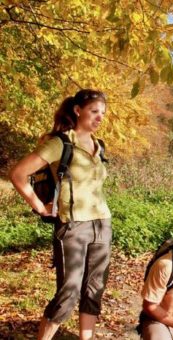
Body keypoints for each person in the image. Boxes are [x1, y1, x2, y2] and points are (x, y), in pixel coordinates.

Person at [9, 89, 112, 340]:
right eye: (94, 111)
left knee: (94, 289)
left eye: (102, 113)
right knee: (69, 291)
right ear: (78, 110)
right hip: (73, 226)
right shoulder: (60, 143)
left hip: (102, 224)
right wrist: (38, 206)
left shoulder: (99, 146)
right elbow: (18, 174)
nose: (99, 118)